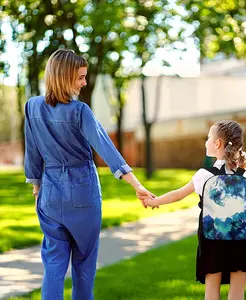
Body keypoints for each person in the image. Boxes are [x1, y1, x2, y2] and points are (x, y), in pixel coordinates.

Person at [24, 48, 154, 300]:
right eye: (80, 77)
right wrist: (136, 184)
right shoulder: (79, 111)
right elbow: (106, 147)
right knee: (83, 264)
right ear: (64, 77)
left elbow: (32, 153)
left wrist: (37, 187)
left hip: (49, 194)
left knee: (53, 265)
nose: (84, 83)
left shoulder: (32, 107)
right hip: (82, 191)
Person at [144, 120, 246, 300]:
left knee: (211, 294)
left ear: (217, 144)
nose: (206, 142)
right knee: (237, 295)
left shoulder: (204, 175)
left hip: (212, 243)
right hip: (241, 243)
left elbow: (178, 195)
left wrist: (154, 202)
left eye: (208, 138)